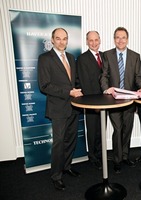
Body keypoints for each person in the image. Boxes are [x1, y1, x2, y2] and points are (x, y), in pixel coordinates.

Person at [38, 28, 83, 191]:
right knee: (58, 142)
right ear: (52, 40)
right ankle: (56, 176)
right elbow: (44, 85)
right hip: (58, 109)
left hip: (73, 107)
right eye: (58, 38)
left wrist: (77, 91)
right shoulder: (44, 59)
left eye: (64, 38)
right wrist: (68, 92)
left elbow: (73, 81)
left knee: (71, 139)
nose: (61, 41)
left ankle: (67, 167)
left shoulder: (71, 57)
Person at [100, 27, 141, 173]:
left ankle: (125, 156)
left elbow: (138, 77)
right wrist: (106, 88)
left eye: (123, 37)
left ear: (127, 39)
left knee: (127, 129)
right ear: (114, 39)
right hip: (114, 100)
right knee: (118, 129)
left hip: (129, 100)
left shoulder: (135, 56)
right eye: (117, 37)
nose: (120, 40)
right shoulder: (107, 55)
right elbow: (104, 75)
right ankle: (117, 159)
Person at [76, 31, 104, 170]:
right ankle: (93, 157)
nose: (94, 43)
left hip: (105, 102)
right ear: (87, 42)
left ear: (100, 40)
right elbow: (84, 83)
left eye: (96, 40)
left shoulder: (104, 56)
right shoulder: (82, 58)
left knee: (101, 130)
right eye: (91, 40)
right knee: (92, 131)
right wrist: (94, 105)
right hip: (92, 102)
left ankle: (100, 154)